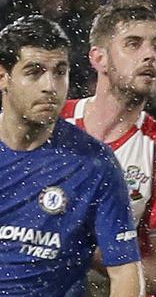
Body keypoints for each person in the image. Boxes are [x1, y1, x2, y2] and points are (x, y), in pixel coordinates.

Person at [62, 0, 156, 297]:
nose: (150, 55)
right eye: (134, 44)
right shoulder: (53, 122)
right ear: (99, 58)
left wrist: (70, 239)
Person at [0, 15, 144, 296]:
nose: (50, 86)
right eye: (34, 71)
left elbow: (126, 273)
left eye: (59, 72)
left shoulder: (94, 164)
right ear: (3, 77)